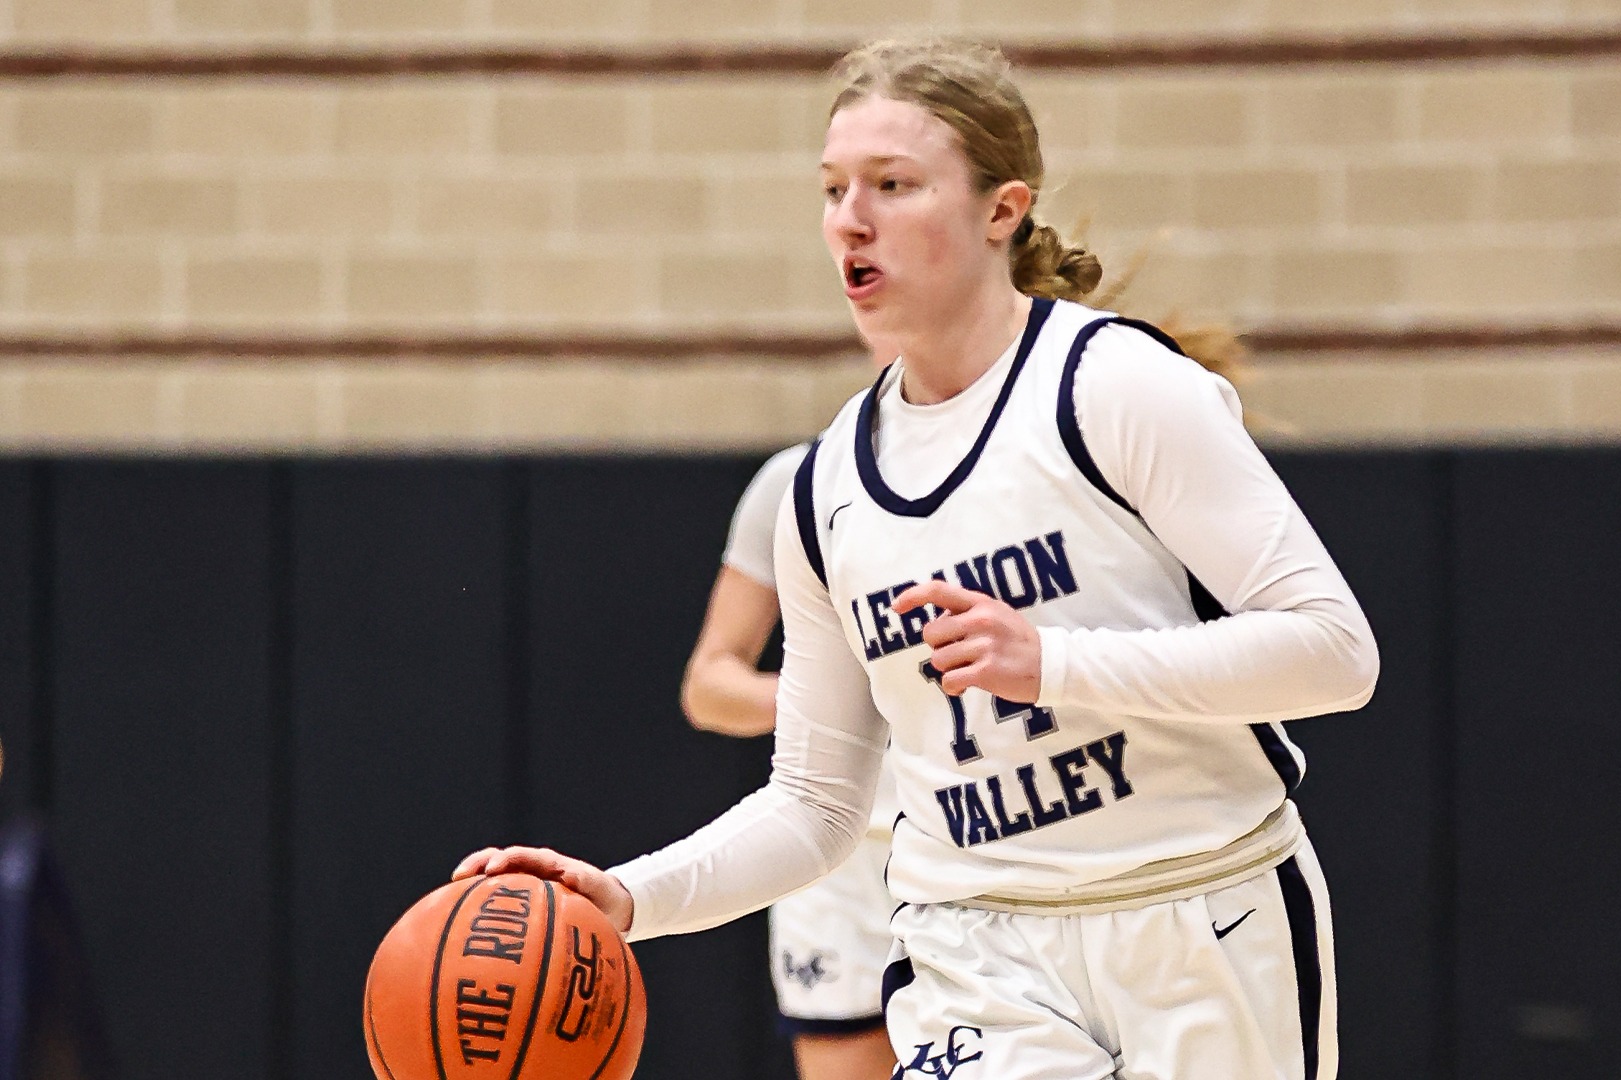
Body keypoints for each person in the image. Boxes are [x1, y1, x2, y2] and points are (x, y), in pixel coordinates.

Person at [459, 37, 1378, 1078]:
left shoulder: (1114, 387)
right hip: (978, 946)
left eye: (893, 186)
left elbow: (1334, 653)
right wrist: (632, 898)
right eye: (834, 188)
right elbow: (815, 805)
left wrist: (1060, 665)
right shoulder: (824, 492)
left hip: (1201, 915)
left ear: (1002, 210)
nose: (851, 217)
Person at [684, 418, 896, 1078]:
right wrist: (824, 700)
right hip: (844, 860)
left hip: (983, 848)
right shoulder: (802, 481)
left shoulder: (1031, 475)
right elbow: (708, 685)